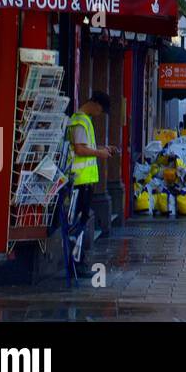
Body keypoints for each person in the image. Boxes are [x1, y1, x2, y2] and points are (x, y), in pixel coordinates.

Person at [67, 92, 113, 262]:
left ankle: (78, 259)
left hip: (85, 181)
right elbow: (79, 149)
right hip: (80, 181)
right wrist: (99, 153)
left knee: (81, 220)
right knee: (78, 221)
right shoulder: (80, 121)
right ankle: (76, 260)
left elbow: (86, 146)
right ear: (94, 103)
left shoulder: (85, 120)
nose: (100, 113)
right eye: (100, 109)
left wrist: (101, 148)